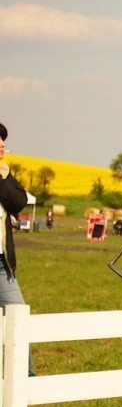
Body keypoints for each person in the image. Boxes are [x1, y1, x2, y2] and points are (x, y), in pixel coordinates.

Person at [0, 122, 36, 377]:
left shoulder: (4, 173)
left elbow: (18, 202)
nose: (3, 145)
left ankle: (27, 379)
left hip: (1, 264)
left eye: (3, 140)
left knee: (17, 316)